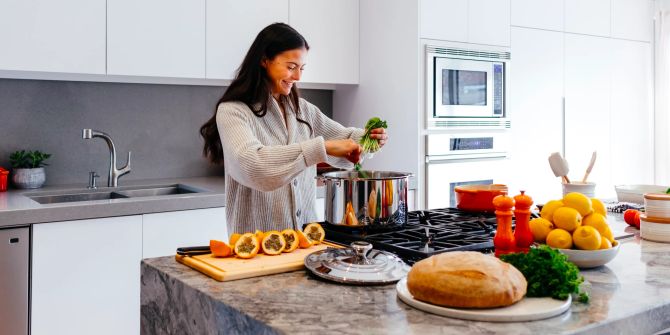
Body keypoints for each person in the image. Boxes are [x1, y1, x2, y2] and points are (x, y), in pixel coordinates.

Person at [200, 23, 387, 234]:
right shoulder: (233, 111)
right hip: (257, 246)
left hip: (307, 240)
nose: (298, 77)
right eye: (291, 67)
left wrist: (369, 139)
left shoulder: (303, 110)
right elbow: (252, 165)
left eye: (301, 68)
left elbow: (344, 140)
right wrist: (320, 148)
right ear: (264, 60)